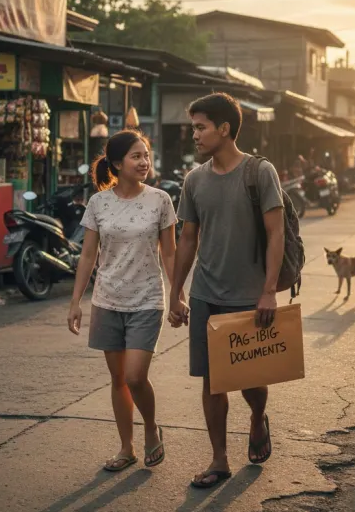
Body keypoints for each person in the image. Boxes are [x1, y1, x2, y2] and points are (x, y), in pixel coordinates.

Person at [168, 93, 285, 489]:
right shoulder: (194, 179)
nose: (194, 135)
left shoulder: (259, 172)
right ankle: (219, 459)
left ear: (224, 128)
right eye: (193, 127)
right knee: (212, 381)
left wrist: (268, 290)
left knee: (251, 379)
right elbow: (187, 239)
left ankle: (256, 419)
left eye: (200, 127)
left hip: (248, 296)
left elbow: (276, 233)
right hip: (206, 293)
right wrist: (176, 291)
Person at [67, 130, 179, 472]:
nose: (144, 162)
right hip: (107, 300)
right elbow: (88, 256)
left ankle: (150, 429)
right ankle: (126, 448)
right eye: (136, 156)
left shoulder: (161, 200)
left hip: (147, 300)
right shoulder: (98, 203)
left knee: (134, 377)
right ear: (117, 163)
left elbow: (170, 253)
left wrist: (178, 296)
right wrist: (75, 302)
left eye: (146, 155)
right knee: (117, 381)